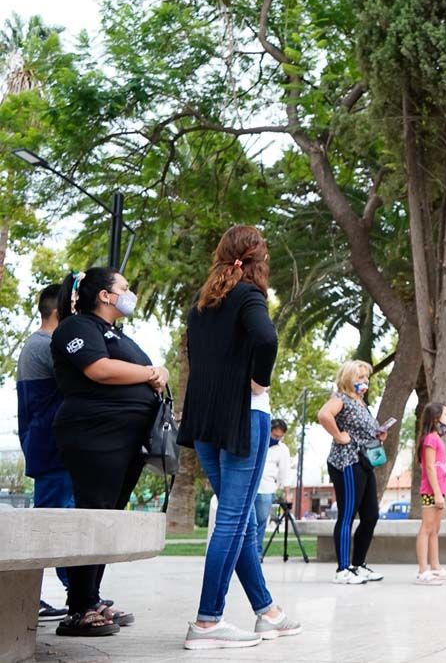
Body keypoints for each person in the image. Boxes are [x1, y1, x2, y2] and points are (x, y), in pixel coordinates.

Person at [179, 225, 302, 649]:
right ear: (257, 260)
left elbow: (195, 357)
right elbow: (267, 338)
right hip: (243, 417)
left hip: (205, 422)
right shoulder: (249, 295)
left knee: (243, 520)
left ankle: (268, 612)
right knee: (233, 519)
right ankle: (207, 622)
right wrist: (259, 381)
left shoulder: (201, 306)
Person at [50, 268, 166, 636]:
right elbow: (99, 369)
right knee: (94, 515)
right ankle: (79, 608)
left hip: (126, 438)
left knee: (108, 517)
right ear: (104, 294)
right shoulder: (76, 327)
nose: (130, 294)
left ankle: (92, 598)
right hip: (94, 434)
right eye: (124, 288)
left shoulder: (115, 333)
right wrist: (150, 373)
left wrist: (157, 374)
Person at [18, 285, 71, 620]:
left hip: (49, 449)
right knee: (49, 527)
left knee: (59, 523)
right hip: (49, 450)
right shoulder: (45, 346)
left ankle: (77, 595)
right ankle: (27, 598)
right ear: (58, 312)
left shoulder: (38, 344)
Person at [317, 360, 387, 585]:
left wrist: (378, 434)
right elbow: (324, 415)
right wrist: (339, 436)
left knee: (370, 515)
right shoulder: (341, 398)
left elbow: (363, 431)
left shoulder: (362, 403)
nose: (365, 381)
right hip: (347, 462)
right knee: (347, 515)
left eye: (366, 377)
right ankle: (343, 569)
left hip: (364, 463)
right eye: (360, 377)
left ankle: (358, 565)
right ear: (348, 378)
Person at [414, 402, 446, 586]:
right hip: (431, 491)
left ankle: (435, 567)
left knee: (435, 530)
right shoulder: (430, 439)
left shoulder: (437, 438)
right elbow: (430, 467)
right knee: (426, 528)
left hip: (440, 490)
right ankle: (422, 570)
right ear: (435, 419)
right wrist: (437, 493)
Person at [255, 419, 293, 556]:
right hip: (249, 487)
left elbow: (285, 472)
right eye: (274, 435)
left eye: (279, 437)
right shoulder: (257, 441)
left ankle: (256, 554)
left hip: (266, 489)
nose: (276, 439)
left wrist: (287, 493)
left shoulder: (282, 449)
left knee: (260, 523)